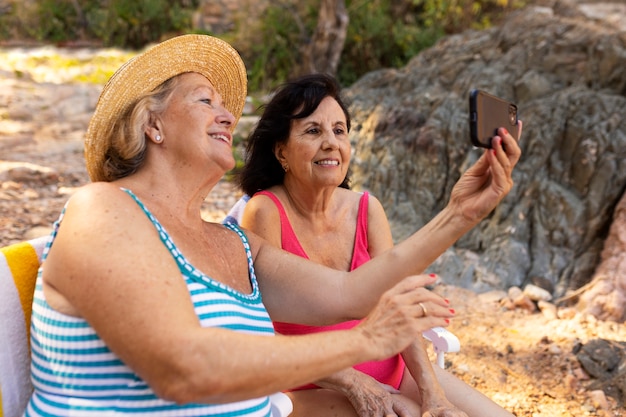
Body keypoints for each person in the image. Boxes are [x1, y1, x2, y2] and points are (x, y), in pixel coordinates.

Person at [25, 33, 518, 417]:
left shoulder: (232, 243)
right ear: (151, 124)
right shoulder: (103, 209)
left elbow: (351, 292)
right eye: (205, 100)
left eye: (226, 106)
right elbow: (181, 369)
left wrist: (461, 213)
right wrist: (366, 343)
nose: (227, 115)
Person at [236, 73, 522, 417]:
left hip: (394, 373)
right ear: (281, 151)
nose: (331, 143)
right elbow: (256, 332)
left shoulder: (366, 209)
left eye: (339, 130)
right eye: (313, 131)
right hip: (312, 384)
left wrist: (433, 395)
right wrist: (354, 382)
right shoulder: (264, 212)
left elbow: (399, 307)